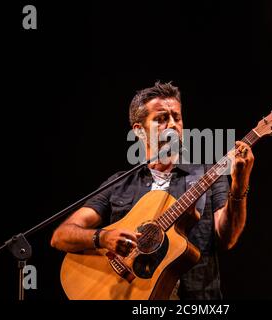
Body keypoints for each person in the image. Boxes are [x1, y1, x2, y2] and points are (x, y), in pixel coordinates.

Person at [50, 81, 254, 299]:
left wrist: (240, 183)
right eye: (161, 119)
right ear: (139, 131)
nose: (173, 125)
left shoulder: (207, 176)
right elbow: (61, 236)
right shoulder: (120, 183)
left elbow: (227, 238)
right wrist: (103, 237)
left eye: (177, 117)